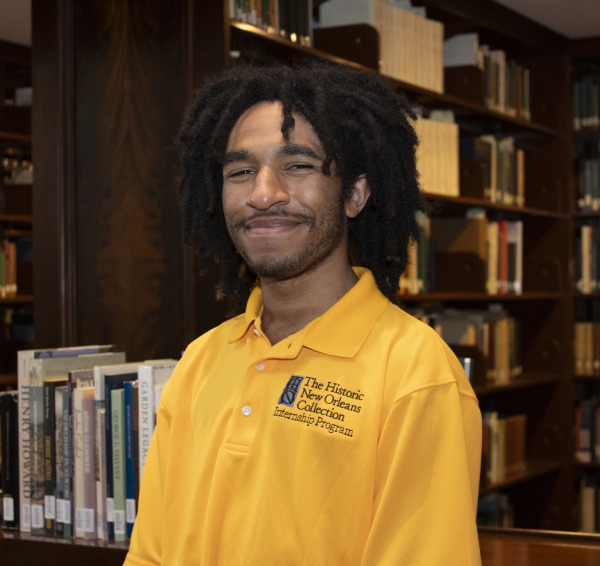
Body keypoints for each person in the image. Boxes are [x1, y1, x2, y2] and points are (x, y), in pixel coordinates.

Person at [124, 62, 482, 565]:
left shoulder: (416, 376)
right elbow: (150, 556)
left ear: (354, 194)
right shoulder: (199, 363)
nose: (263, 193)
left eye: (297, 166)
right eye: (241, 171)